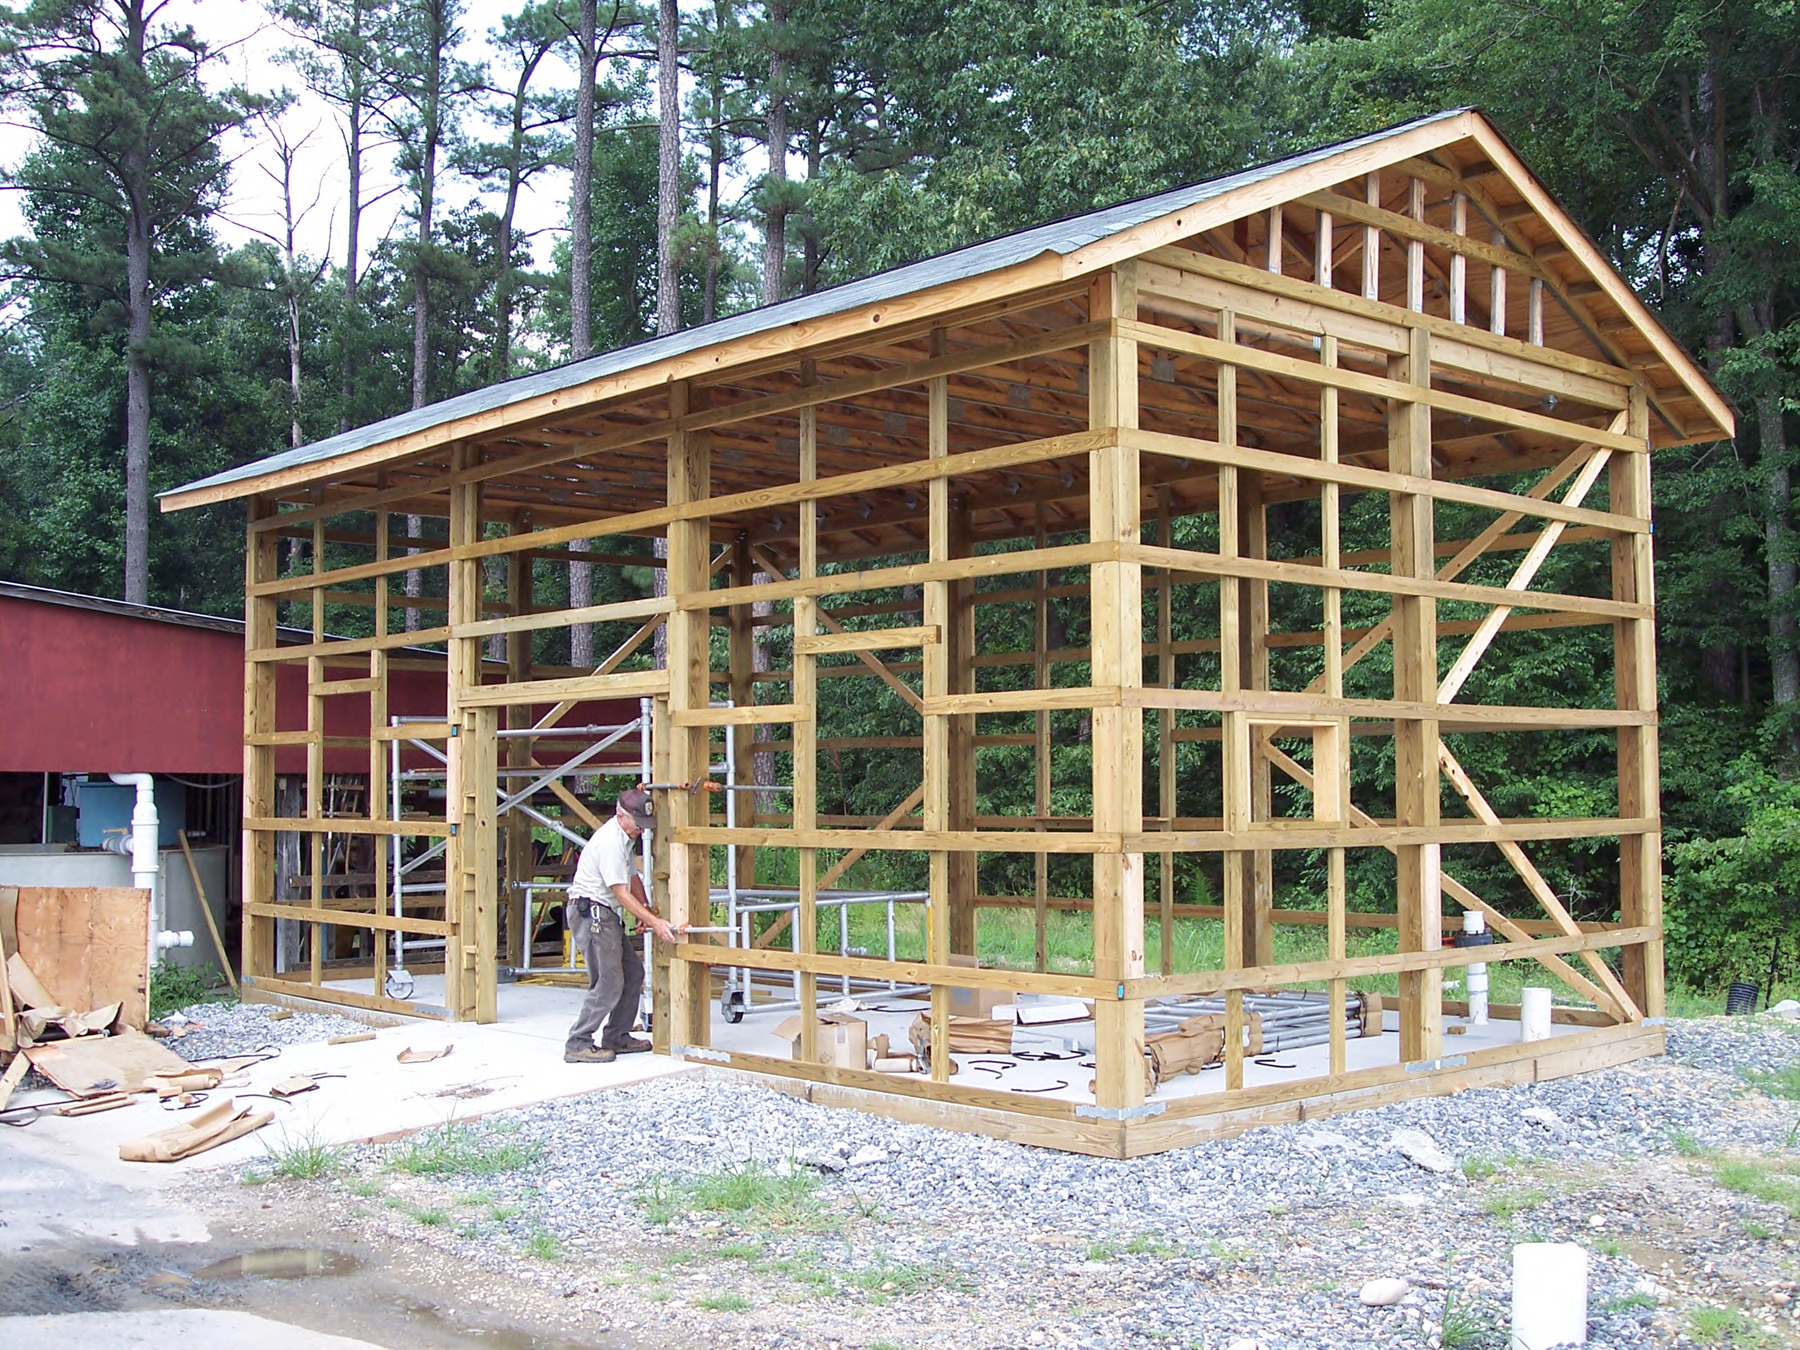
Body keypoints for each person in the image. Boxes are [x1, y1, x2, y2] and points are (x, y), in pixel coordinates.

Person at [564, 787, 682, 1064]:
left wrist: (645, 910)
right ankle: (578, 1042)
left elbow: (632, 877)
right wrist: (655, 922)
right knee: (609, 981)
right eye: (638, 823)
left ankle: (617, 1036)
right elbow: (621, 893)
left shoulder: (624, 838)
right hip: (592, 915)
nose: (641, 830)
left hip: (604, 915)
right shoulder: (610, 842)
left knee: (632, 973)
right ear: (620, 816)